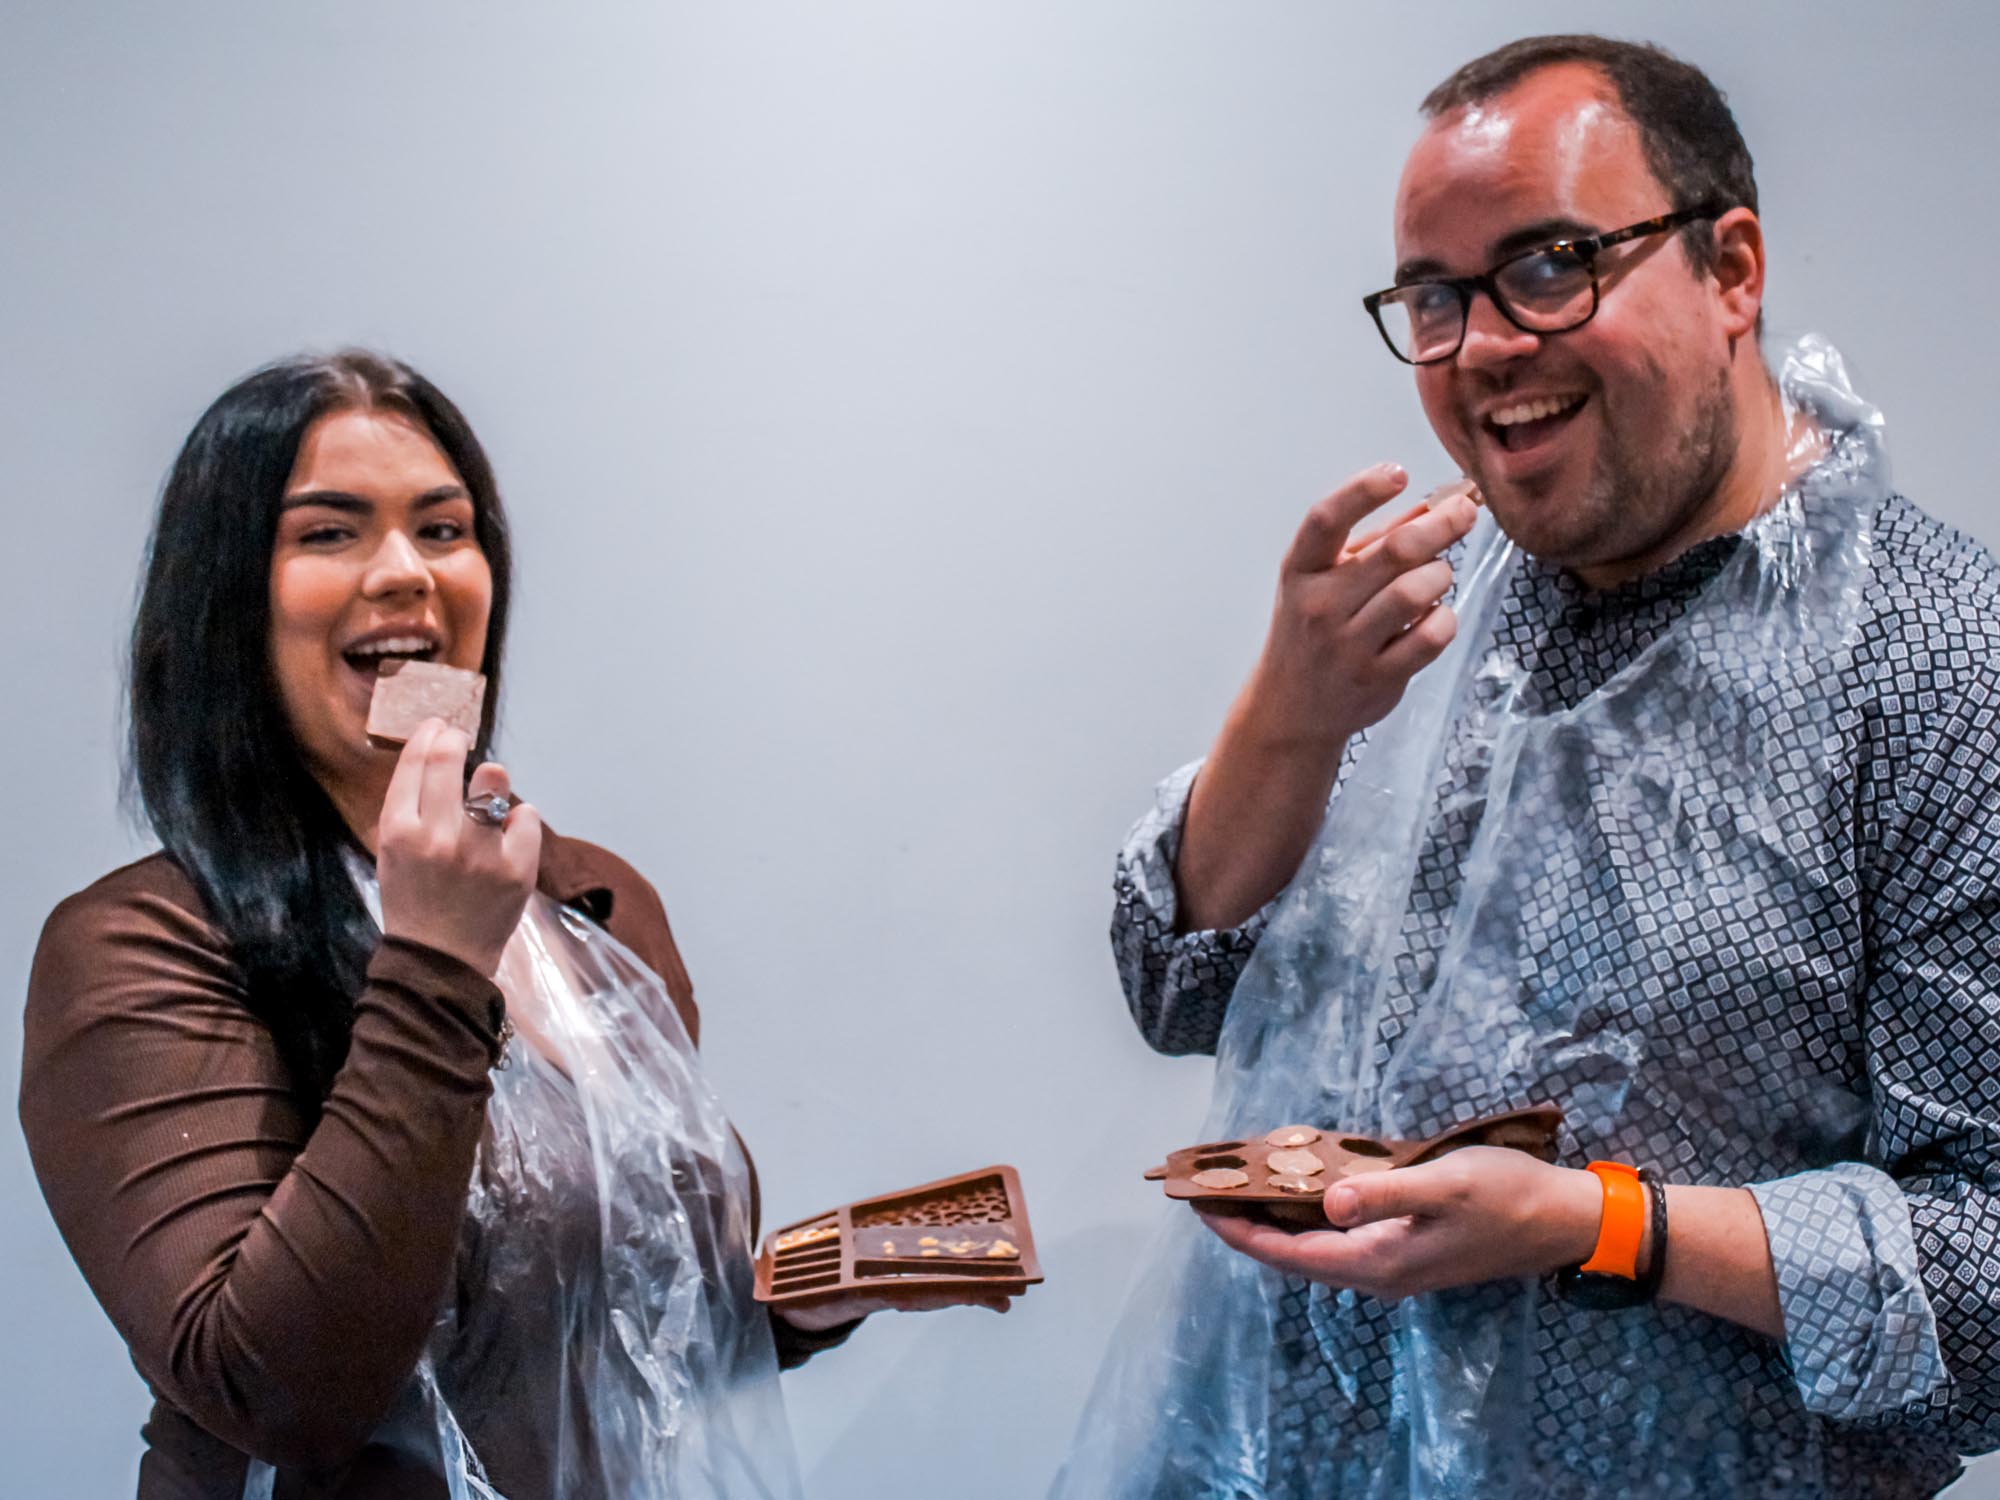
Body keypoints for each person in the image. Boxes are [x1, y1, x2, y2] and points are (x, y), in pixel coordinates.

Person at [1064, 34, 2000, 1500]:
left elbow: (1991, 1278)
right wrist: (1290, 720)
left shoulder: (1939, 666)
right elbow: (1180, 990)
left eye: (1551, 264)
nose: (1485, 342)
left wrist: (1596, 1224)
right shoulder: (1439, 609)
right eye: (1435, 296)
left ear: (1730, 268)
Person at [19, 351, 984, 1500]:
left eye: (443, 530)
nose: (405, 577)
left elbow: (589, 1323)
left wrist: (795, 1300)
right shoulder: (139, 949)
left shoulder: (588, 901)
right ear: (224, 597)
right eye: (329, 534)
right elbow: (283, 1394)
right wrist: (433, 963)